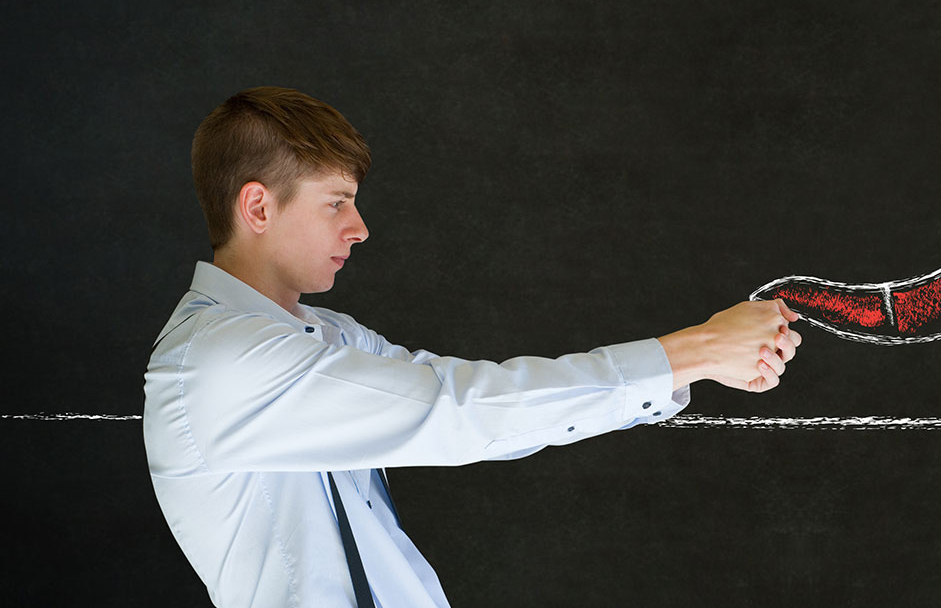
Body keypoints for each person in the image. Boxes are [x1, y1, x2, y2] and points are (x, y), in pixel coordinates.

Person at [144, 86, 801, 607]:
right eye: (336, 202)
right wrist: (696, 349)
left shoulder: (328, 335)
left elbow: (484, 410)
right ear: (257, 209)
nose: (360, 227)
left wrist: (690, 363)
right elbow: (460, 411)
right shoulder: (223, 358)